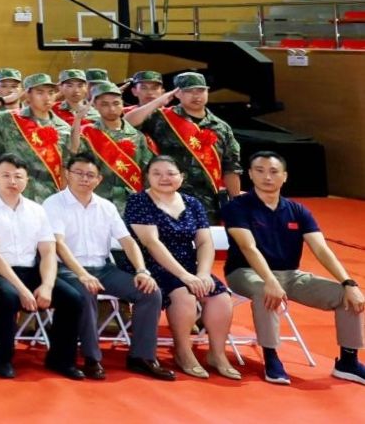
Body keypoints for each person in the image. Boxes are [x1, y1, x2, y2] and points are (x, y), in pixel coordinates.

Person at [222, 151, 365, 386]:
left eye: (273, 171)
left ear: (285, 176)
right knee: (265, 291)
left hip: (290, 275)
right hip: (246, 272)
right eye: (260, 171)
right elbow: (248, 247)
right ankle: (271, 357)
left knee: (347, 295)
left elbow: (321, 249)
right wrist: (269, 280)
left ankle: (348, 362)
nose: (267, 177)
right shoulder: (237, 207)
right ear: (250, 174)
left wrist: (349, 283)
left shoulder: (298, 210)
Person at [44, 152, 174, 381]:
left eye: (90, 175)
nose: (84, 178)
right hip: (66, 269)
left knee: (150, 292)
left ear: (99, 179)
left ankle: (142, 357)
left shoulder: (106, 207)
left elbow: (128, 241)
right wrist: (82, 274)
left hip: (103, 269)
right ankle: (91, 358)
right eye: (78, 173)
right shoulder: (53, 204)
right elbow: (58, 245)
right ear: (67, 174)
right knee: (86, 291)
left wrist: (142, 271)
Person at [0, 155, 87, 380]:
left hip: (29, 269)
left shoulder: (36, 210)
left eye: (18, 176)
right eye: (6, 175)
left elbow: (48, 252)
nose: (12, 181)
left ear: (27, 180)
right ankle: (4, 359)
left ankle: (61, 360)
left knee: (72, 298)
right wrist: (23, 290)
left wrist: (47, 286)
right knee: (9, 297)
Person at [126, 156, 239, 379]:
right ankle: (183, 352)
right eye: (156, 173)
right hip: (150, 266)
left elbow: (204, 242)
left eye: (170, 173)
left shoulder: (193, 203)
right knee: (183, 295)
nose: (164, 178)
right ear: (147, 177)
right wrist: (185, 276)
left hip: (189, 264)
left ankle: (217, 354)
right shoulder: (138, 201)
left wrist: (203, 273)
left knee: (220, 297)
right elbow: (152, 243)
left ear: (182, 177)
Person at [126, 72, 242, 216]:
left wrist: (236, 203)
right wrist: (158, 102)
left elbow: (231, 168)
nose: (196, 96)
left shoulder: (221, 127)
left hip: (208, 203)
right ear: (177, 93)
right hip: (167, 198)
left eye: (200, 90)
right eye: (189, 91)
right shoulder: (162, 118)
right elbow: (128, 123)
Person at [0, 74, 72, 203]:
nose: (47, 98)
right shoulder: (10, 118)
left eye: (51, 93)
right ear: (27, 94)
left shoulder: (63, 127)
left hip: (50, 192)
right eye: (40, 93)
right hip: (16, 190)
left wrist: (64, 197)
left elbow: (65, 165)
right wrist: (1, 101)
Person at [71, 81, 155, 208]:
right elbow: (73, 153)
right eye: (105, 104)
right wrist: (77, 119)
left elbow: (147, 171)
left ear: (122, 104)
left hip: (131, 199)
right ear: (95, 106)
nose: (112, 109)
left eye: (116, 103)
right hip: (97, 199)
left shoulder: (137, 136)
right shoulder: (86, 133)